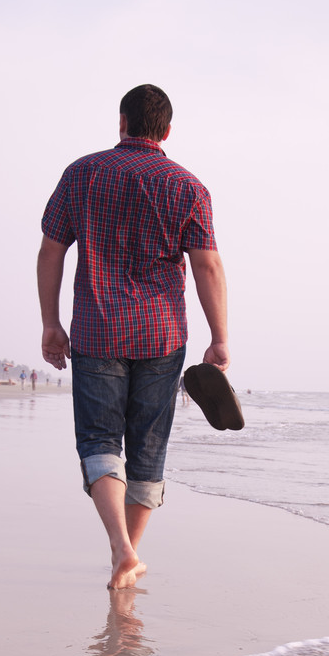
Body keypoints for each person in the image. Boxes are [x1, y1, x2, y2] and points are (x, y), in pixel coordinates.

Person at [38, 84, 229, 589]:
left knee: (99, 441)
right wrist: (220, 337)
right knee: (148, 451)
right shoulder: (189, 187)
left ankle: (122, 552)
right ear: (166, 132)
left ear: (121, 122)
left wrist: (50, 323)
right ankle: (129, 555)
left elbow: (51, 252)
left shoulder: (82, 173)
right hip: (162, 336)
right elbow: (207, 265)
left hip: (96, 329)